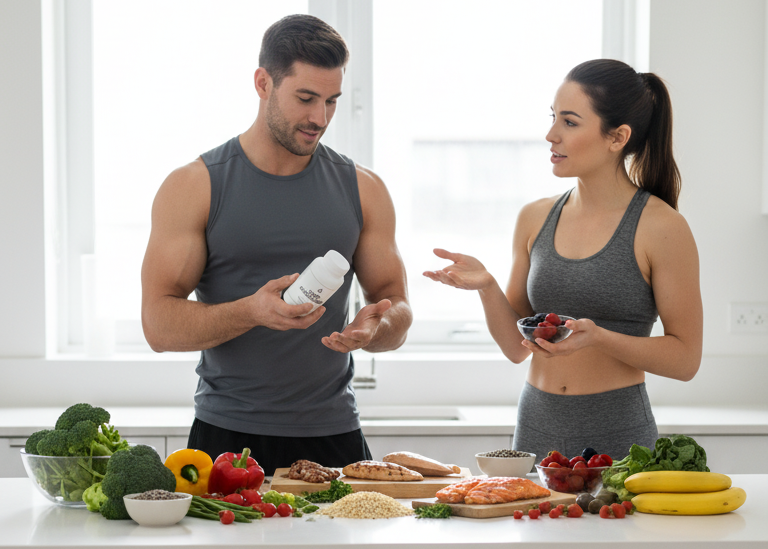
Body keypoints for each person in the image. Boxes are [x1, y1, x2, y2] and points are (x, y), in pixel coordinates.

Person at [141, 14, 412, 475]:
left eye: (331, 101)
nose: (320, 118)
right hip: (225, 437)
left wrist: (376, 331)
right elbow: (158, 326)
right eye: (305, 98)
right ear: (263, 83)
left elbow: (398, 309)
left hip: (335, 435)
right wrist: (251, 311)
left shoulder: (363, 188)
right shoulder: (196, 186)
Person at [424, 59, 703, 461]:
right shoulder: (534, 217)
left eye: (570, 123)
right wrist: (486, 287)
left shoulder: (662, 227)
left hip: (618, 433)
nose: (550, 135)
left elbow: (686, 359)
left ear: (617, 137)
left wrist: (601, 337)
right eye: (553, 118)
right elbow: (517, 348)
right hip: (537, 425)